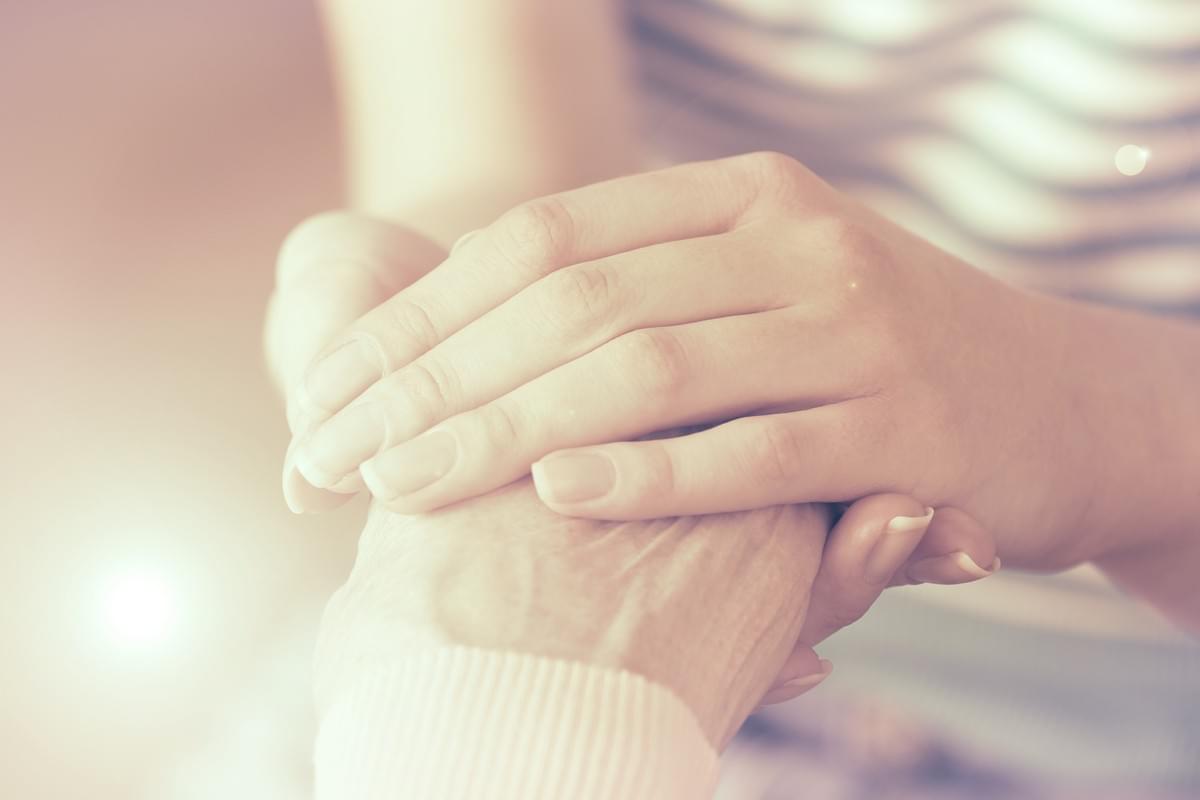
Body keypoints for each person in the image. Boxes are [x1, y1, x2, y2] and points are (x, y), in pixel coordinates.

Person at [264, 1, 1200, 797]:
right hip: (639, 567)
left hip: (1139, 681)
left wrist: (1078, 409)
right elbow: (490, 156)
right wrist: (466, 315)